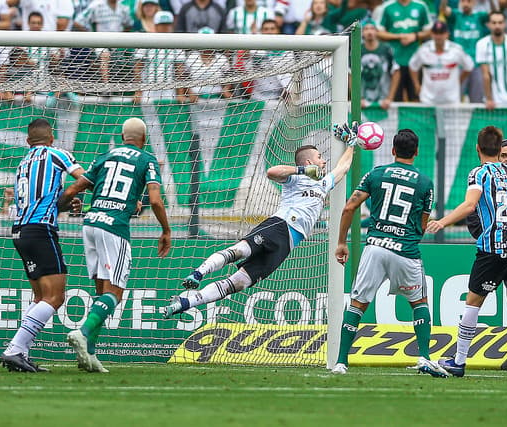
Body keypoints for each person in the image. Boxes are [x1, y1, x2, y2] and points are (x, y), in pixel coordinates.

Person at [161, 123, 356, 319]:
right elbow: (272, 172)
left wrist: (352, 144)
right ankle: (198, 274)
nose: (323, 162)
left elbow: (343, 167)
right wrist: (302, 171)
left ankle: (185, 303)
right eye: (320, 157)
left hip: (288, 244)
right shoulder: (296, 178)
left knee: (240, 282)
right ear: (307, 161)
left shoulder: (323, 183)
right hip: (280, 225)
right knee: (240, 251)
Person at [427, 125, 507, 381]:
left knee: (473, 302)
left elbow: (470, 204)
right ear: (499, 147)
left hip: (493, 249)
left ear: (478, 149)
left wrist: (443, 221)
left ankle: (459, 361)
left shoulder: (479, 173)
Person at [330, 129, 447, 377]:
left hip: (375, 247)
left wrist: (342, 242)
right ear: (416, 152)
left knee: (357, 304)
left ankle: (341, 362)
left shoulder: (376, 173)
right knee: (419, 303)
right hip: (405, 250)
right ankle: (424, 357)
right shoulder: (426, 183)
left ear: (392, 150)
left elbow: (350, 206)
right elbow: (423, 226)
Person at [58, 118, 171, 373]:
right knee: (115, 294)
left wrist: (55, 209)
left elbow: (74, 188)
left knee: (101, 293)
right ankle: (83, 332)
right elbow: (155, 200)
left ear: (122, 137)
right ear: (144, 140)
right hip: (114, 228)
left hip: (90, 224)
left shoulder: (104, 156)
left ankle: (90, 355)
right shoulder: (146, 159)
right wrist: (165, 229)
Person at [0, 118, 85, 373]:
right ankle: (15, 349)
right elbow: (84, 178)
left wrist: (65, 203)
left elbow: (41, 200)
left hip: (19, 231)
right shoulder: (57, 154)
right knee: (55, 296)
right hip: (41, 230)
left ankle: (20, 354)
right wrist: (72, 195)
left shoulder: (23, 163)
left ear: (28, 141)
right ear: (51, 139)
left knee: (40, 296)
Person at [374, 0, 433, 102]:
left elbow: (430, 31)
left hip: (415, 61)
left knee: (416, 97)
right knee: (395, 98)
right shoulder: (387, 7)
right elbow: (378, 33)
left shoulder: (420, 6)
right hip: (394, 61)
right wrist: (398, 36)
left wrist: (415, 36)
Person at [409, 20, 474, 105]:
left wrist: (458, 81)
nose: (438, 36)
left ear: (447, 34)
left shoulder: (456, 50)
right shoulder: (423, 50)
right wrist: (417, 85)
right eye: (436, 33)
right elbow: (413, 66)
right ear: (431, 34)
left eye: (441, 33)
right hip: (428, 100)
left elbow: (469, 66)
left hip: (451, 100)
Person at [476, 11, 507, 111]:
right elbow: (486, 75)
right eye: (494, 23)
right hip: (492, 100)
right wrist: (489, 99)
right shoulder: (481, 44)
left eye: (500, 22)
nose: (497, 26)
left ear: (505, 24)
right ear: (488, 25)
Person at [441, 0, 490, 103]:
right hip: (458, 65)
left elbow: (495, 13)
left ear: (474, 3)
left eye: (469, 1)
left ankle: (476, 119)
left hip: (476, 64)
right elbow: (443, 9)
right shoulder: (455, 15)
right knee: (455, 98)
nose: (466, 4)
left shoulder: (479, 16)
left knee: (477, 100)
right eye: (463, 1)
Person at [359, 19, 400, 110]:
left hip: (384, 100)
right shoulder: (357, 50)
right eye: (366, 29)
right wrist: (358, 98)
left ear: (377, 32)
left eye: (372, 28)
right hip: (363, 101)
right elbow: (350, 75)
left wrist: (390, 98)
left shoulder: (386, 49)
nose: (369, 32)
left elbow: (396, 72)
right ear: (362, 33)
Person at [6, 0, 74, 31]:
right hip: (28, 45)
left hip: (51, 45)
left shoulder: (65, 1)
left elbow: (62, 25)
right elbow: (9, 2)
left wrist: (53, 48)